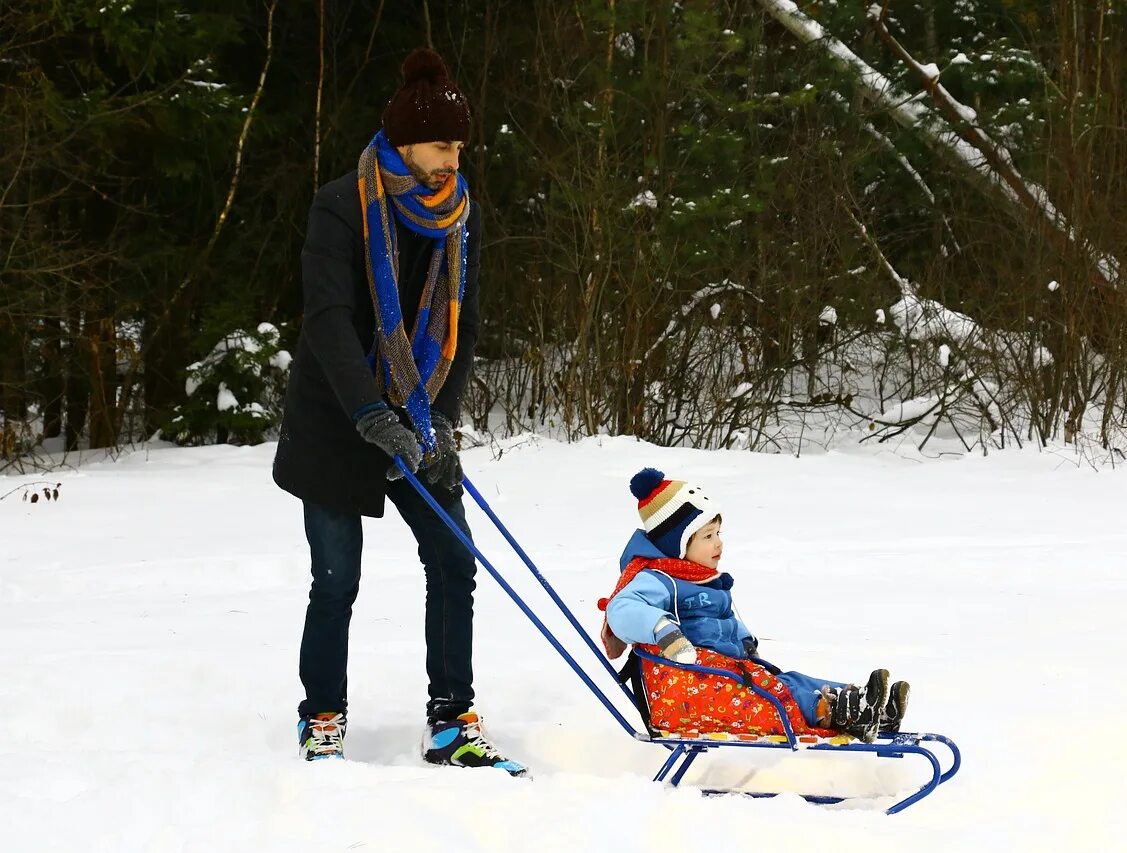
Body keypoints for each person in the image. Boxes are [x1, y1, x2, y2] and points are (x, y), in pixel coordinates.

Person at [273, 46, 523, 774]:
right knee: (337, 578)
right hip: (335, 414)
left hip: (417, 409)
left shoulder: (458, 215)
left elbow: (463, 325)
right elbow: (327, 319)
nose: (453, 159)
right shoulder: (339, 205)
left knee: (453, 557)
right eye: (442, 145)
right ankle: (323, 714)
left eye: (459, 146)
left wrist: (435, 416)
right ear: (407, 142)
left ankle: (452, 719)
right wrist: (367, 412)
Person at [600, 468, 910, 742]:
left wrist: (745, 640)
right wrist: (662, 629)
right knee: (774, 689)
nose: (718, 543)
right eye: (707, 536)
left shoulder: (701, 579)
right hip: (693, 681)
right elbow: (622, 609)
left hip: (724, 672)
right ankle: (835, 710)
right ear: (677, 546)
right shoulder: (658, 579)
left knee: (790, 680)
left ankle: (867, 705)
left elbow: (726, 618)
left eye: (718, 533)